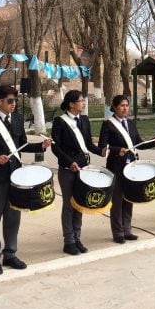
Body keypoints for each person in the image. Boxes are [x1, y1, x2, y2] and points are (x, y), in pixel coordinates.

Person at [0, 85, 51, 275]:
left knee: (13, 217)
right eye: (10, 101)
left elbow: (21, 146)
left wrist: (41, 146)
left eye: (15, 100)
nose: (14, 104)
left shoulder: (18, 119)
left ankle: (11, 254)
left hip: (16, 177)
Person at [98, 95, 155, 243]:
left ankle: (127, 229)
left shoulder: (130, 123)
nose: (125, 108)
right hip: (116, 167)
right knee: (117, 201)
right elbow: (102, 146)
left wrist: (153, 142)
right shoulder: (108, 124)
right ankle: (118, 233)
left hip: (131, 167)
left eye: (127, 105)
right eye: (122, 105)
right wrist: (116, 149)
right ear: (114, 107)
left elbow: (137, 143)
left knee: (129, 199)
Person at [51, 90, 106, 255]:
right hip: (68, 169)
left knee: (80, 204)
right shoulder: (60, 121)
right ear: (71, 104)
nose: (84, 103)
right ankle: (68, 241)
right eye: (81, 101)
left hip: (84, 168)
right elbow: (55, 146)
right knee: (69, 205)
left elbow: (88, 143)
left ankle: (77, 238)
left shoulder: (84, 119)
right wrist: (69, 162)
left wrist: (100, 151)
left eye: (84, 100)